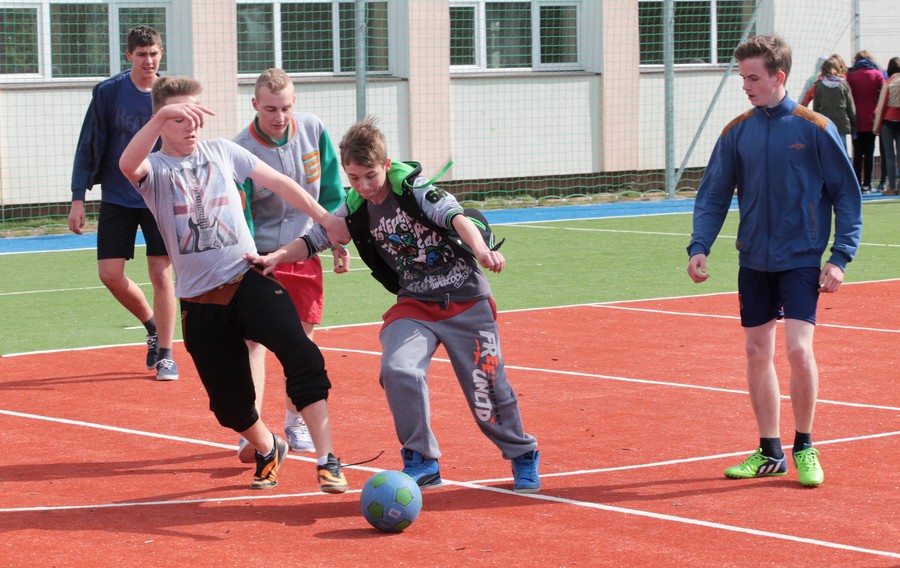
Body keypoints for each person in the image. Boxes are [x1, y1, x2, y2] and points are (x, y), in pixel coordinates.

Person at [247, 116, 542, 494]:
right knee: (398, 369)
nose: (363, 186)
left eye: (370, 175)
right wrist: (276, 257)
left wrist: (482, 250)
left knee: (486, 389)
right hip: (415, 303)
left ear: (386, 166)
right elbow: (318, 238)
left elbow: (458, 218)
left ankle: (521, 453)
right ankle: (421, 459)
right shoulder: (354, 207)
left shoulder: (416, 190)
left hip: (465, 300)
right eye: (353, 177)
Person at [118, 75, 351, 493]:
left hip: (249, 278)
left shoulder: (224, 151)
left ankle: (326, 458)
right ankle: (267, 447)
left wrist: (326, 219)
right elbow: (126, 165)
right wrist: (158, 120)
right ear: (160, 121)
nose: (191, 126)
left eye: (195, 116)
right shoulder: (155, 170)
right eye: (179, 118)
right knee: (228, 405)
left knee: (301, 351)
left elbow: (281, 184)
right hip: (200, 301)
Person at [686, 35, 862, 487]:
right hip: (754, 261)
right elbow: (713, 195)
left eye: (753, 77)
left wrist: (840, 256)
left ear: (778, 77)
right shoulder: (736, 131)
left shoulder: (814, 128)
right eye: (742, 77)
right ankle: (769, 450)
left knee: (799, 351)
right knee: (755, 351)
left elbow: (847, 195)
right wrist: (700, 245)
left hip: (802, 258)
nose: (745, 85)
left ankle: (805, 445)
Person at [232, 68, 349, 462]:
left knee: (302, 342)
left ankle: (294, 421)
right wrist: (248, 257)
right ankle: (252, 429)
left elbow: (332, 189)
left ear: (294, 103)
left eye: (284, 108)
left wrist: (335, 240)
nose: (279, 117)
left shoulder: (314, 130)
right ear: (254, 105)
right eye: (269, 109)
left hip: (305, 251)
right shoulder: (241, 148)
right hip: (261, 257)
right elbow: (240, 212)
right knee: (253, 343)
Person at [68, 25, 179, 381]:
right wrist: (77, 198)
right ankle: (150, 324)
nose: (149, 60)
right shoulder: (107, 93)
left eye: (154, 53)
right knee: (110, 274)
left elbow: (186, 145)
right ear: (128, 55)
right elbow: (88, 144)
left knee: (161, 272)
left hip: (158, 194)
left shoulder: (171, 94)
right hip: (118, 196)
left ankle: (165, 353)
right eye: (142, 54)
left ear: (161, 53)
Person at [846, 50, 886, 193]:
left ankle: (856, 182)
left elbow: (847, 94)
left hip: (855, 118)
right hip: (871, 118)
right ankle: (867, 184)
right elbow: (884, 92)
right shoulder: (877, 74)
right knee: (869, 153)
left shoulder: (850, 74)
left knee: (857, 153)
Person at [812, 55, 857, 154]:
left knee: (826, 154)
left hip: (824, 125)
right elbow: (850, 108)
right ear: (837, 68)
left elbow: (815, 109)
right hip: (841, 124)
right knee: (842, 153)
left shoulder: (818, 86)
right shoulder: (843, 85)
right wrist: (854, 125)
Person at [874, 57, 900, 196]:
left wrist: (877, 127)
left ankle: (891, 186)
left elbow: (881, 106)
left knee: (890, 156)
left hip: (888, 122)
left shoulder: (888, 83)